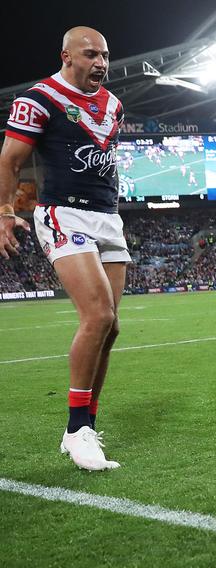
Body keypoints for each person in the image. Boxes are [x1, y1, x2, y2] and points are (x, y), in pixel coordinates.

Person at [0, 26, 127, 470]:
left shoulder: (112, 104)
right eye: (91, 55)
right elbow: (10, 159)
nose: (101, 63)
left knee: (111, 330)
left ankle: (87, 424)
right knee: (98, 315)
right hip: (63, 214)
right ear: (66, 56)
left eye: (105, 56)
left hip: (108, 217)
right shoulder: (40, 98)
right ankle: (76, 430)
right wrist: (3, 213)